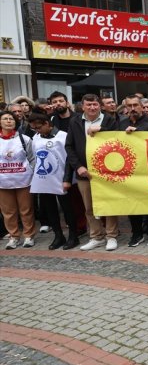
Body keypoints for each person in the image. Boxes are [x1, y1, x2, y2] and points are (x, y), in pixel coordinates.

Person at [65, 94, 120, 250]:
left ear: (100, 106)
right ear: (83, 106)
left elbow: (117, 139)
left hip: (107, 171)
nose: (92, 107)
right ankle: (96, 236)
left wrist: (101, 129)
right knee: (89, 207)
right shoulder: (75, 121)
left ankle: (111, 236)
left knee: (110, 205)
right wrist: (78, 167)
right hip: (84, 172)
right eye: (88, 105)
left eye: (95, 104)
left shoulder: (109, 120)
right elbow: (69, 147)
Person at [28, 112, 78, 250]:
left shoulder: (63, 136)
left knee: (68, 209)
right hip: (44, 179)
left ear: (47, 124)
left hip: (62, 178)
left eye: (38, 127)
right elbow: (36, 157)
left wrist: (67, 179)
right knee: (50, 209)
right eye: (34, 129)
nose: (36, 131)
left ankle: (73, 236)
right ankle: (58, 235)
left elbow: (68, 159)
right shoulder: (36, 137)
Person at [119, 95, 148, 247]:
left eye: (135, 105)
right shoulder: (121, 123)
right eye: (129, 105)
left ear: (141, 106)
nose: (132, 109)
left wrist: (137, 132)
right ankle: (136, 233)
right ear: (125, 108)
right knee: (132, 203)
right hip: (130, 171)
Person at [0, 111, 35, 249]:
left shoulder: (24, 139)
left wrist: (32, 174)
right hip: (3, 181)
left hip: (23, 179)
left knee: (26, 209)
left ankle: (28, 235)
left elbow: (32, 158)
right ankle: (14, 236)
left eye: (11, 119)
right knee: (8, 211)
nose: (9, 121)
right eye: (5, 119)